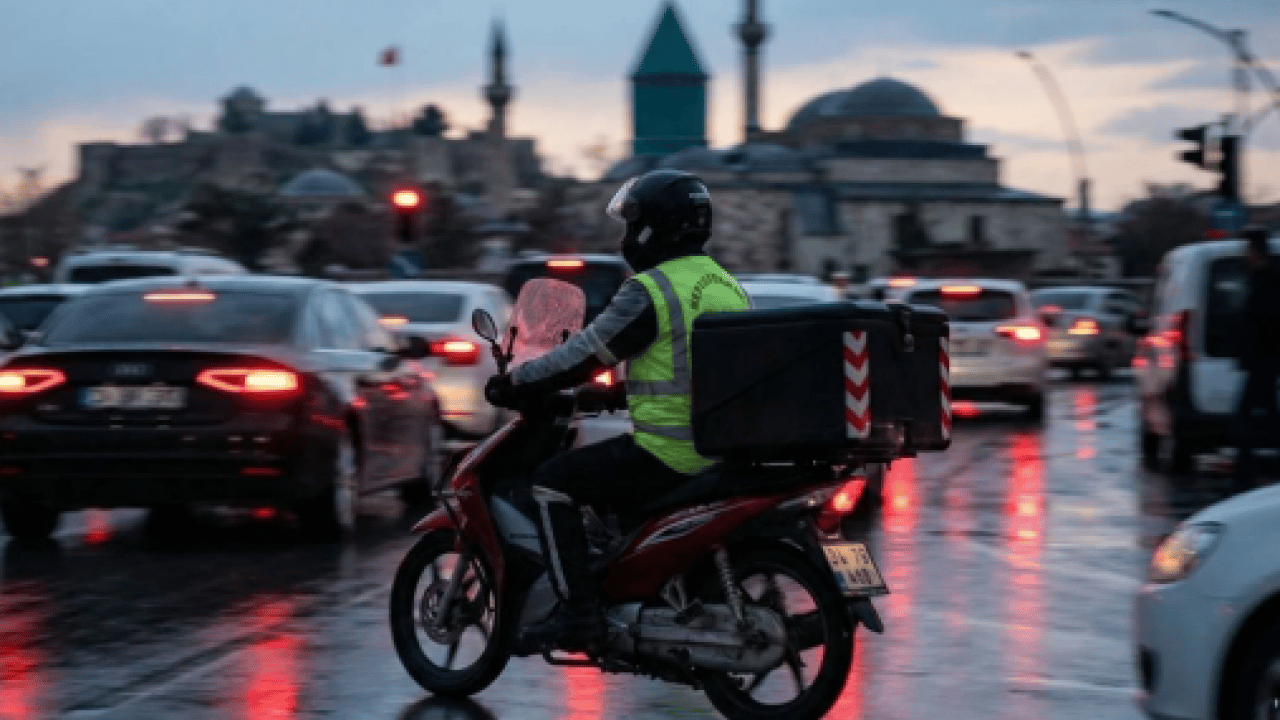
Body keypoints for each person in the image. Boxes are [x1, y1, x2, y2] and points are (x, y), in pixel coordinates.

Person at [484, 170, 751, 648]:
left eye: (632, 224)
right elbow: (693, 368)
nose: (627, 237)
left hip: (671, 452)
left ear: (654, 227)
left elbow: (586, 352)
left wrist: (516, 381)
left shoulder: (652, 289)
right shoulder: (724, 284)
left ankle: (577, 615)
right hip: (717, 445)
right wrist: (609, 396)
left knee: (552, 482)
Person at [1235, 227, 1280, 485]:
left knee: (1245, 416)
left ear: (1256, 252)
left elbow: (1264, 321)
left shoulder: (1267, 281)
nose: (1245, 255)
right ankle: (1252, 467)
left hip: (1263, 358)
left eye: (1248, 250)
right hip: (1264, 359)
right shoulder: (1262, 278)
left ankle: (1246, 469)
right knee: (1268, 415)